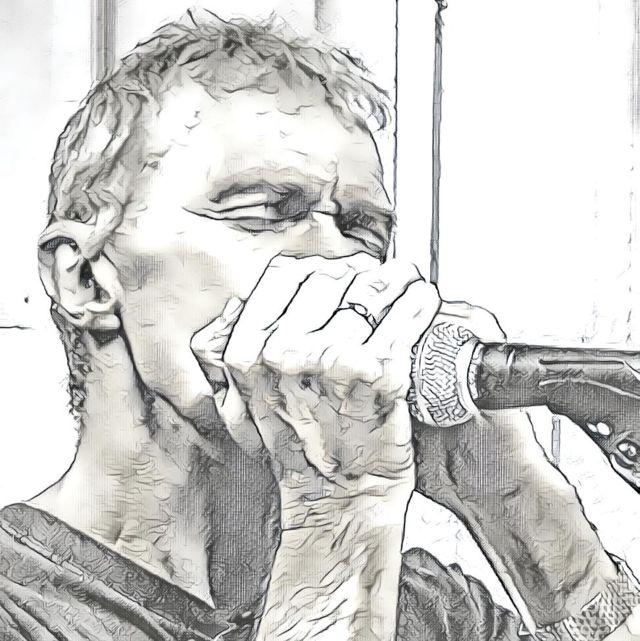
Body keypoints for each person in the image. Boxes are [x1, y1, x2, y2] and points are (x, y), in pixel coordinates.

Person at [1, 9, 638, 641]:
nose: (341, 262)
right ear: (84, 279)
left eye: (364, 231)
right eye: (263, 213)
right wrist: (341, 503)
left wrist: (514, 496)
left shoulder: (427, 609)